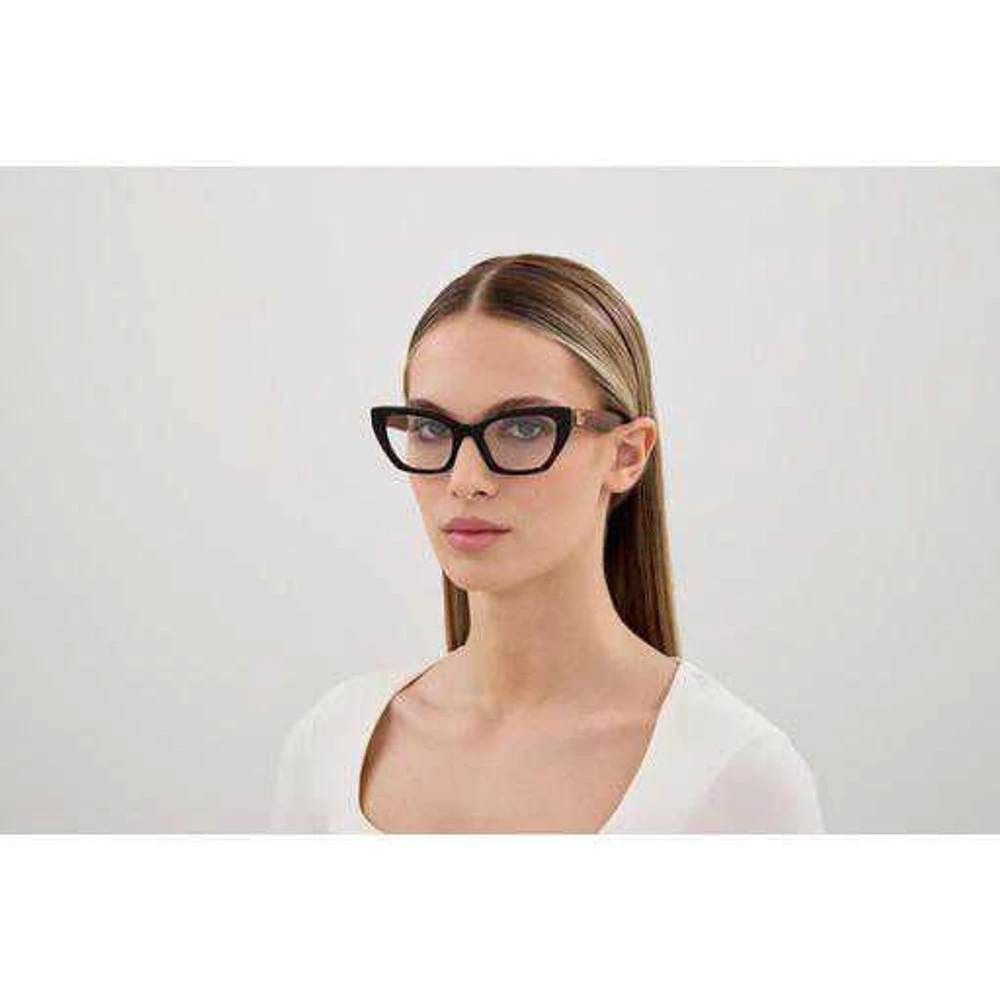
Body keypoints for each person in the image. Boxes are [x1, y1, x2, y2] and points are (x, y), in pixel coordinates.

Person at [270, 252, 825, 834]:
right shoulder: (332, 745)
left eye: (523, 427)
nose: (465, 479)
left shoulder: (734, 773)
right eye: (431, 428)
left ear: (626, 454)